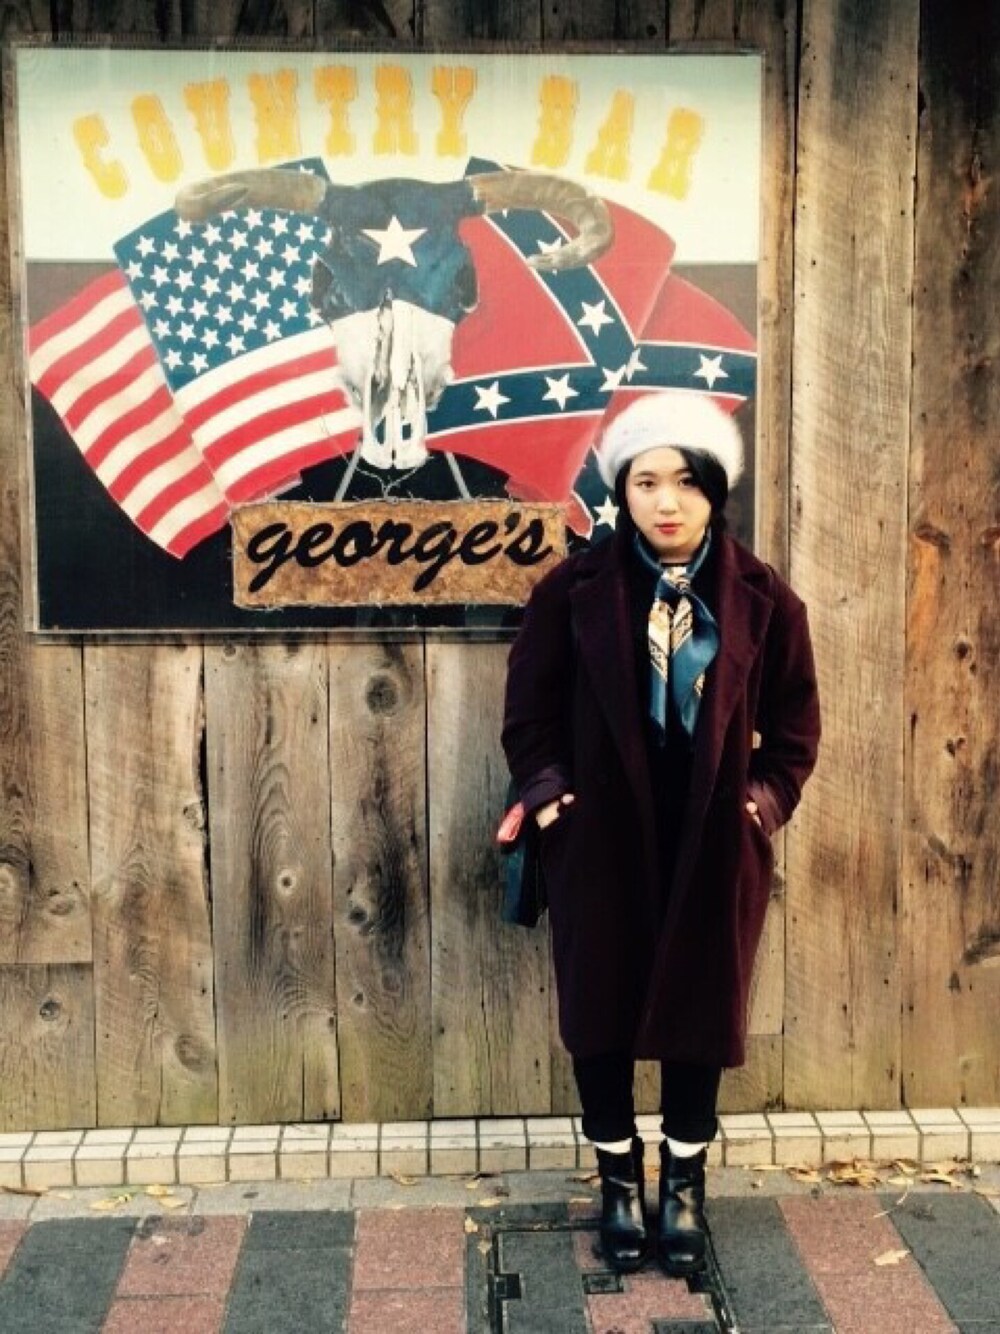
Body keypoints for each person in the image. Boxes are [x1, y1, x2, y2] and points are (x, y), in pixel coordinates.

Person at [501, 390, 821, 1276]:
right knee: (599, 1008)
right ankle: (617, 1179)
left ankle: (682, 1184)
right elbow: (528, 715)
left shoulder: (764, 598)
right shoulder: (572, 591)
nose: (667, 501)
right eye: (647, 482)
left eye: (687, 481)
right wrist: (552, 797)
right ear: (622, 491)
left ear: (715, 490)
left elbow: (797, 725)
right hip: (600, 834)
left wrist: (763, 802)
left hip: (712, 837)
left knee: (698, 1006)